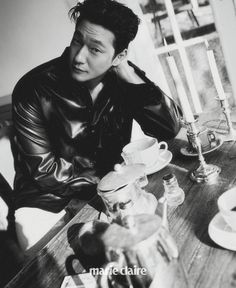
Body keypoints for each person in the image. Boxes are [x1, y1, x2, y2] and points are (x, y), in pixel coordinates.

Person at [12, 0, 182, 251]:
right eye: (77, 40)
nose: (79, 57)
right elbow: (44, 172)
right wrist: (108, 181)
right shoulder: (33, 88)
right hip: (46, 205)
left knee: (157, 248)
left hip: (113, 192)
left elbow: (168, 128)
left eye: (95, 49)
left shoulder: (123, 77)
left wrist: (126, 72)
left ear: (119, 56)